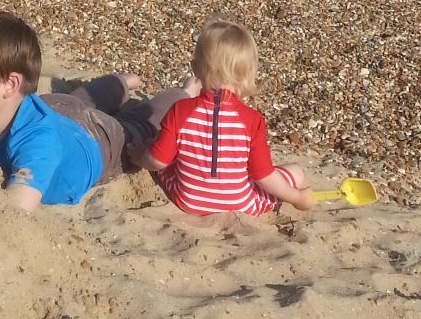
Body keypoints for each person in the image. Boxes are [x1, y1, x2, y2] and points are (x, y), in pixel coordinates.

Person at [0, 10, 193, 212]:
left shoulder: (38, 142)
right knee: (80, 101)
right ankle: (121, 83)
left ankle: (181, 93)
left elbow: (17, 207)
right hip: (53, 105)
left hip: (94, 140)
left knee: (137, 126)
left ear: (10, 85)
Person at [132, 18, 316, 215]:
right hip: (239, 206)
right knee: (295, 171)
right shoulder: (252, 120)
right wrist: (297, 198)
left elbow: (157, 161)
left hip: (188, 200)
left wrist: (140, 156)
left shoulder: (180, 110)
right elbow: (262, 175)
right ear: (248, 75)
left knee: (164, 154)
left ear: (195, 69)